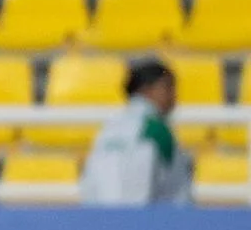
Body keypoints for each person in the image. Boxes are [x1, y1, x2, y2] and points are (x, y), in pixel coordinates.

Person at [81, 57, 193, 206]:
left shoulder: (109, 127)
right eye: (168, 87)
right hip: (144, 221)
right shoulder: (157, 130)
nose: (174, 96)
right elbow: (178, 192)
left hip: (100, 219)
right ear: (147, 89)